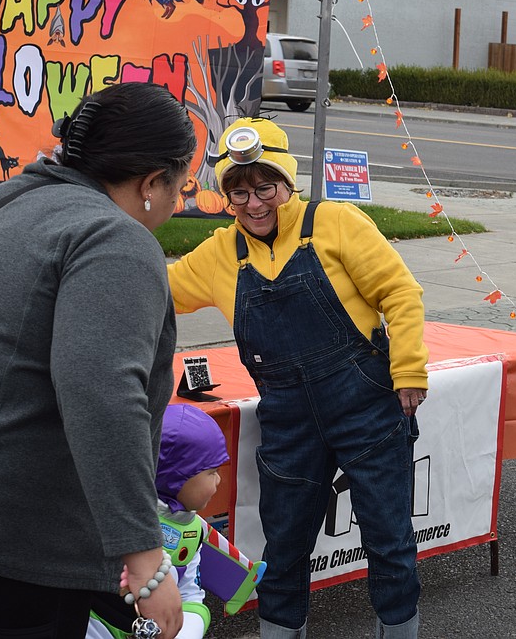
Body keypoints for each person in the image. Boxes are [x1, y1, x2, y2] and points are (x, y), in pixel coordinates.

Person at [0, 81, 197, 638]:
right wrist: (145, 559)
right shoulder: (113, 237)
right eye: (179, 186)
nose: (176, 203)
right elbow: (102, 394)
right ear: (152, 183)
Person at [167, 117, 427, 639]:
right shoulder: (219, 254)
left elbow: (400, 293)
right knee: (283, 549)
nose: (254, 203)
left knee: (388, 542)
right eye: (237, 192)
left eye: (266, 187)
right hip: (288, 421)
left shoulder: (336, 222)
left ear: (289, 184)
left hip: (368, 408)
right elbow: (149, 292)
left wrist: (409, 370)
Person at [88, 403, 262, 639]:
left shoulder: (192, 529)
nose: (218, 481)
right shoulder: (120, 517)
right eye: (211, 472)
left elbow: (190, 590)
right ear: (175, 476)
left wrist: (187, 627)